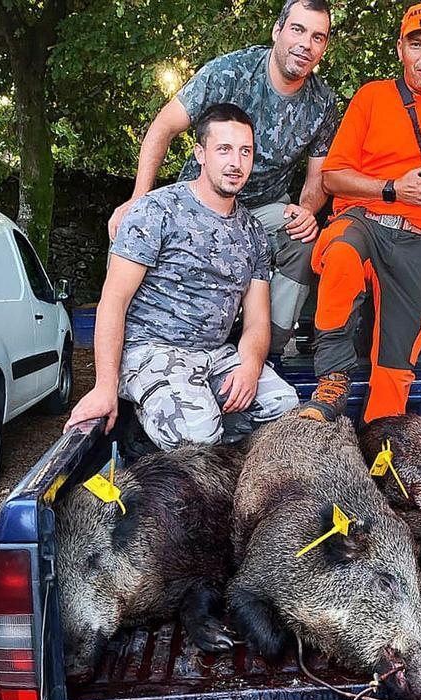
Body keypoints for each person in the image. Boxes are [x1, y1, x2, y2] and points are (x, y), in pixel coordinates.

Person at [298, 0, 421, 423]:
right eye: (416, 44)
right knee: (340, 257)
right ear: (400, 50)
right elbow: (333, 176)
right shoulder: (372, 96)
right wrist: (392, 188)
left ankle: (382, 433)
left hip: (417, 238)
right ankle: (333, 383)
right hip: (363, 221)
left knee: (401, 349)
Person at [107, 0, 338, 356]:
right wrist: (139, 197)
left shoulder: (322, 102)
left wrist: (307, 210)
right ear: (277, 31)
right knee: (134, 233)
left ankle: (266, 349)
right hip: (200, 200)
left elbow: (317, 176)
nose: (306, 43)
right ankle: (132, 354)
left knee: (304, 238)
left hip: (262, 208)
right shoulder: (230, 72)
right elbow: (163, 128)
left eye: (317, 37)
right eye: (298, 29)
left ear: (324, 47)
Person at [66, 103, 298, 448]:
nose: (235, 162)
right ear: (200, 154)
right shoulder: (155, 211)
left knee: (284, 408)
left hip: (215, 354)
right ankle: (152, 429)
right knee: (197, 436)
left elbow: (256, 323)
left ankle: (207, 443)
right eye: (224, 150)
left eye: (245, 151)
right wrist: (103, 386)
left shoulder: (252, 232)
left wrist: (250, 366)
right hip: (152, 351)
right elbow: (113, 303)